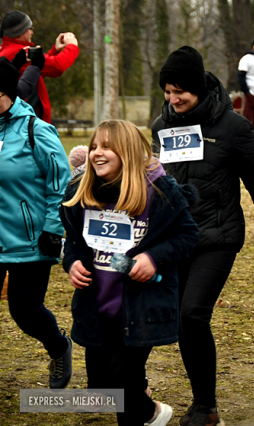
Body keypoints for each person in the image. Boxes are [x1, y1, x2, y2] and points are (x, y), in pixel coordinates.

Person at [152, 45, 254, 425]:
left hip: (217, 236)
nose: (172, 98)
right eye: (167, 91)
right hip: (174, 241)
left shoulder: (232, 127)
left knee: (193, 314)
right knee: (174, 318)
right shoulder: (161, 127)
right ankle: (143, 392)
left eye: (179, 90)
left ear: (197, 87)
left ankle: (205, 407)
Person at [61, 120, 199, 426]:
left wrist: (153, 257)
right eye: (94, 146)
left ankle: (144, 411)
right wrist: (72, 263)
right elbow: (72, 241)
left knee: (121, 377)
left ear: (129, 152)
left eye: (107, 147)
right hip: (97, 308)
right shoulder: (83, 191)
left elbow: (187, 236)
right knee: (103, 386)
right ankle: (149, 410)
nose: (97, 153)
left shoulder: (158, 193)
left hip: (140, 307)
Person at [0, 57, 72, 389]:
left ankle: (58, 346)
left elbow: (60, 183)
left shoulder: (36, 131)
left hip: (29, 241)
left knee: (25, 312)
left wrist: (52, 229)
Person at [0, 10, 79, 123]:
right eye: (29, 28)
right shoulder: (17, 52)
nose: (32, 32)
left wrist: (55, 50)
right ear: (20, 32)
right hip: (28, 122)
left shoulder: (6, 50)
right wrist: (72, 46)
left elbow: (38, 69)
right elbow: (57, 66)